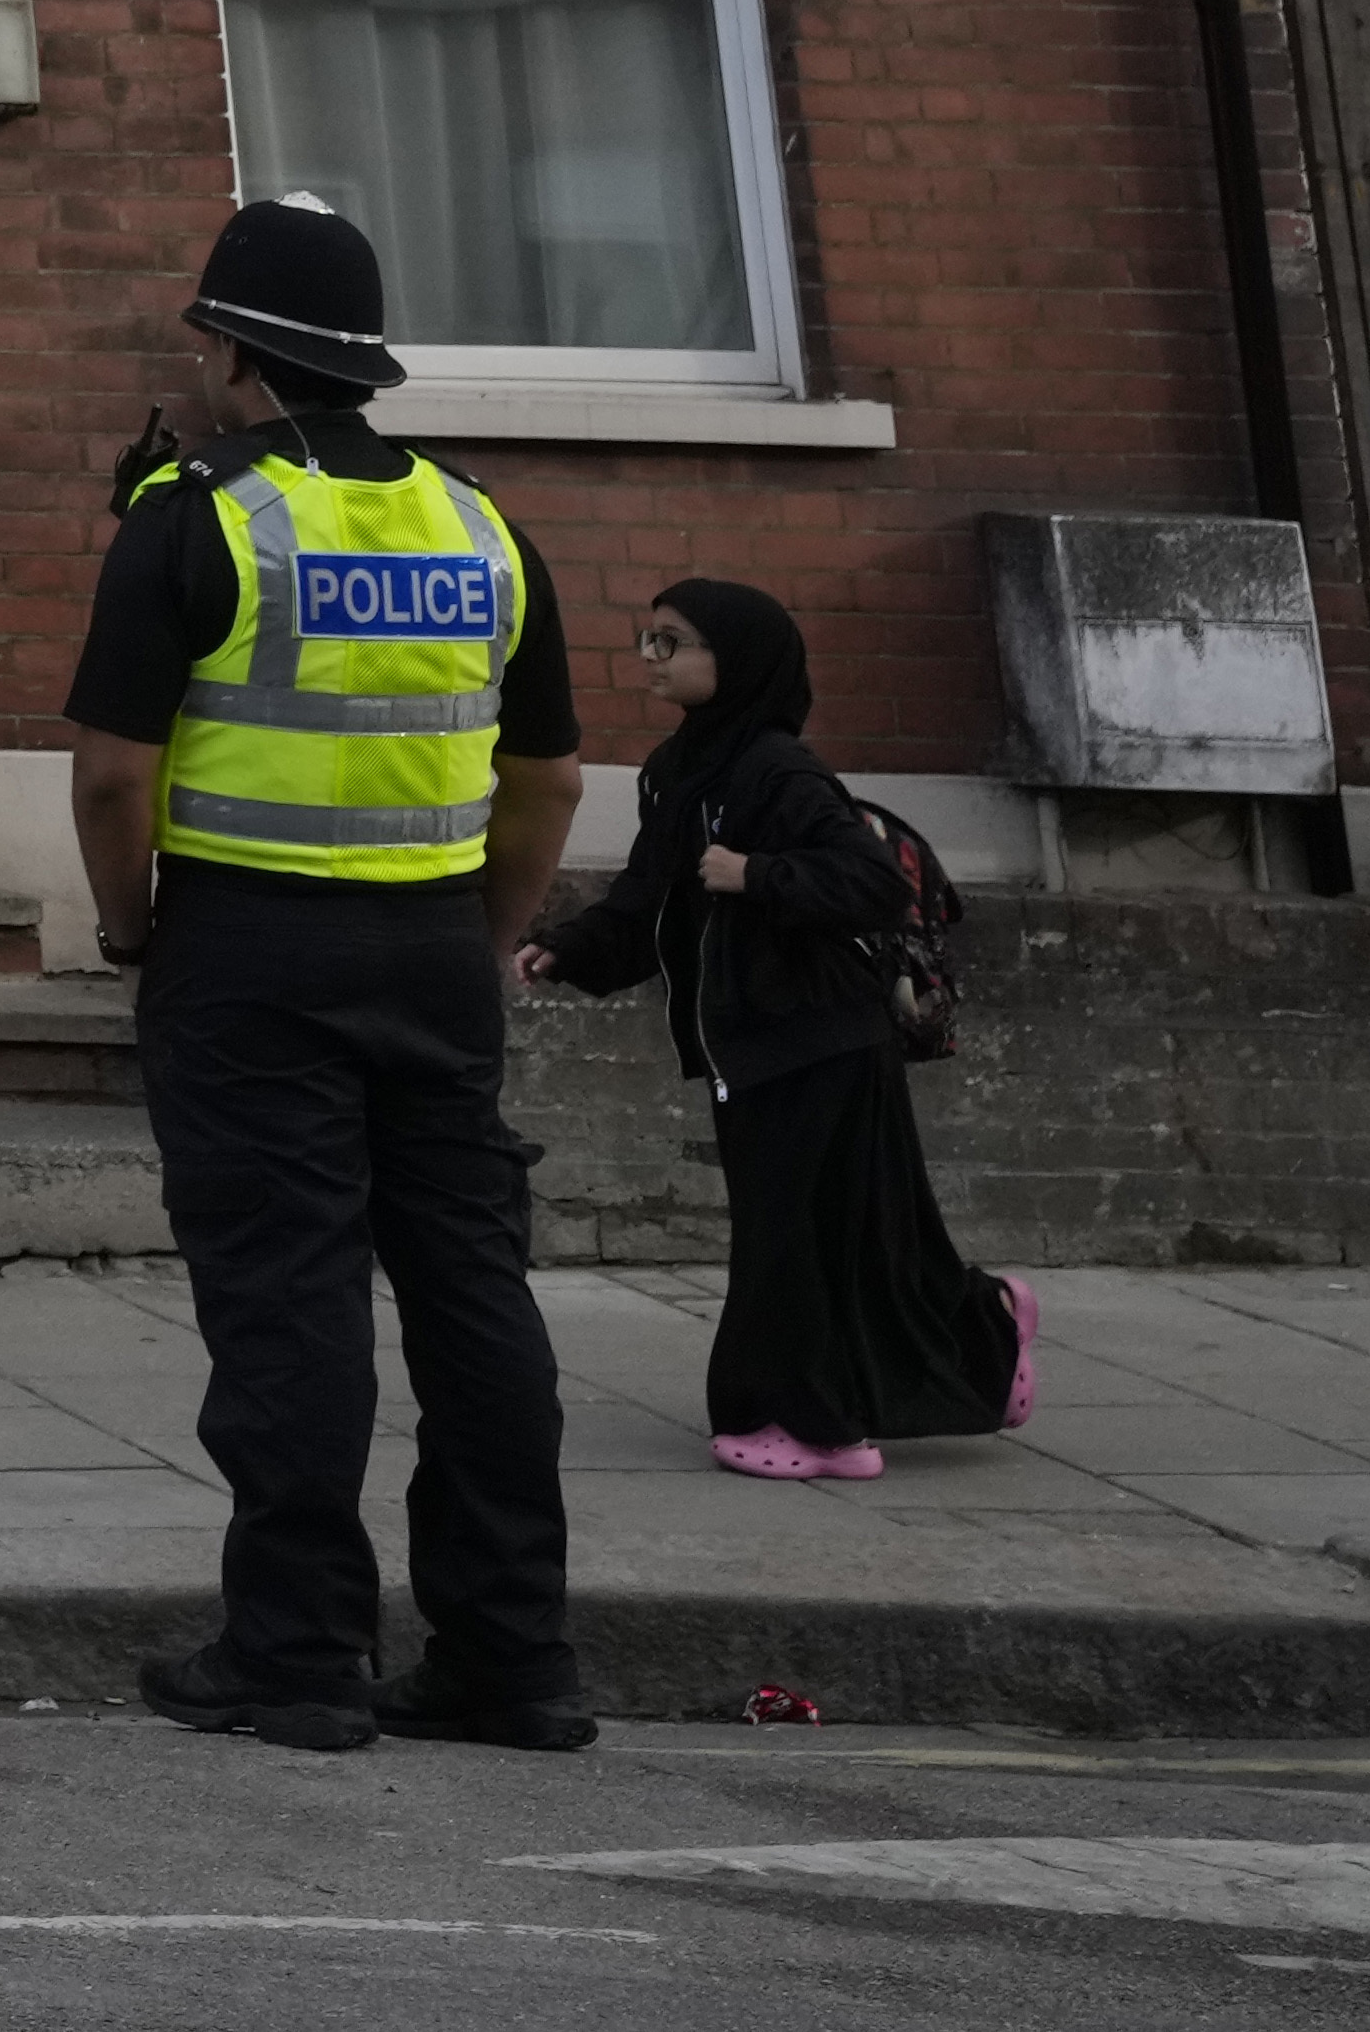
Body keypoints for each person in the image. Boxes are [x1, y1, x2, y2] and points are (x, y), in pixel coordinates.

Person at [71, 195, 594, 1757]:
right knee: (471, 1297)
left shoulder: (196, 513)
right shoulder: (479, 524)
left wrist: (125, 931)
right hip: (434, 949)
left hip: (247, 952)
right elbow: (551, 782)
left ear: (235, 353)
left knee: (289, 1304)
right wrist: (488, 935)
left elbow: (111, 779)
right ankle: (512, 1658)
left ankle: (296, 1654)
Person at [529, 578, 1027, 1484]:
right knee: (857, 1232)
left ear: (740, 660)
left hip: (821, 1037)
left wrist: (759, 875)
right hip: (756, 1041)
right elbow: (649, 902)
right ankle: (979, 1325)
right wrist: (568, 950)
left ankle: (811, 1427)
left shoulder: (778, 770)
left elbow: (875, 884)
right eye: (650, 639)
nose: (651, 657)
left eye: (673, 642)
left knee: (788, 1239)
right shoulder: (678, 769)